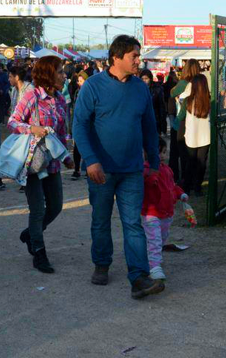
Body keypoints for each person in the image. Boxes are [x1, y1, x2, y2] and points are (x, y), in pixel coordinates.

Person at [73, 35, 164, 300]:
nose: (139, 60)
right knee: (101, 220)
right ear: (117, 57)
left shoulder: (141, 89)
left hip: (132, 170)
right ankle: (102, 263)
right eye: (134, 56)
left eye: (138, 55)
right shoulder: (93, 86)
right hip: (101, 170)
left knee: (133, 224)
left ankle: (139, 277)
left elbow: (149, 126)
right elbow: (79, 125)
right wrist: (90, 160)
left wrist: (155, 163)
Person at [9, 56, 74, 273]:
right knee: (37, 210)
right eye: (60, 72)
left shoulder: (61, 100)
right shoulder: (32, 96)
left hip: (52, 163)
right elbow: (13, 122)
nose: (64, 76)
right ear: (48, 74)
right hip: (32, 163)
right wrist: (32, 129)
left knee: (55, 206)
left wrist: (66, 157)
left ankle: (30, 233)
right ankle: (39, 252)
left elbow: (63, 133)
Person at [142, 139, 187, 281]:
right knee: (154, 239)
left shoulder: (167, 169)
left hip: (167, 212)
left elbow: (172, 186)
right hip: (151, 213)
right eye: (159, 152)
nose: (162, 155)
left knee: (162, 238)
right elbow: (143, 180)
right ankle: (154, 266)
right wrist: (149, 176)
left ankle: (151, 257)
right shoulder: (145, 169)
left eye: (164, 152)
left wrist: (180, 194)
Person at [178, 74, 211, 196]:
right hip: (206, 136)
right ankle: (197, 187)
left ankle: (187, 186)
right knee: (201, 163)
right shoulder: (209, 100)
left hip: (191, 136)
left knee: (190, 163)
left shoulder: (188, 100)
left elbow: (180, 114)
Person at [169, 60, 200, 182]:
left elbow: (172, 93)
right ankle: (188, 179)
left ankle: (176, 177)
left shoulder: (184, 83)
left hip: (180, 121)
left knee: (176, 151)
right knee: (189, 152)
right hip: (194, 121)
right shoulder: (200, 83)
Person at [68, 71, 88, 180]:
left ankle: (87, 169)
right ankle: (76, 169)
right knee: (76, 147)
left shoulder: (90, 92)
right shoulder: (77, 92)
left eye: (81, 81)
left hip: (87, 123)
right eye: (78, 81)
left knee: (87, 146)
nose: (79, 83)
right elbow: (73, 109)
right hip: (77, 122)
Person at [140, 69, 167, 135]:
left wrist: (163, 125)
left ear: (150, 78)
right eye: (142, 78)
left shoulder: (157, 89)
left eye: (146, 78)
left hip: (154, 120)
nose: (144, 81)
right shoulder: (138, 89)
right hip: (141, 121)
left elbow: (161, 107)